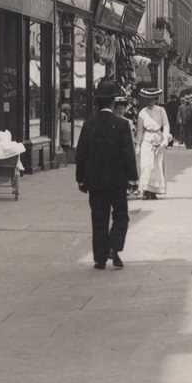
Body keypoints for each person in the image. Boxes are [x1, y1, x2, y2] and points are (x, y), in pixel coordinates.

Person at [75, 89, 138, 270]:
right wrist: (132, 177)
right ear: (112, 104)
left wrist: (81, 178)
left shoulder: (89, 124)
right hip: (117, 181)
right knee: (121, 216)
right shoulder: (121, 124)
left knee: (99, 218)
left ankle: (100, 259)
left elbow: (81, 153)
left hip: (95, 181)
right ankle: (114, 246)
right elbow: (128, 154)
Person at [135, 86, 170, 198]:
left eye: (153, 99)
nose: (150, 102)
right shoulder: (142, 113)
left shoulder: (161, 111)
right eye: (148, 99)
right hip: (147, 139)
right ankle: (145, 189)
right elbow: (140, 130)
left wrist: (165, 139)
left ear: (156, 99)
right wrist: (138, 144)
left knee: (157, 166)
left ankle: (153, 190)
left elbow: (165, 125)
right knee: (146, 165)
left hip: (157, 138)